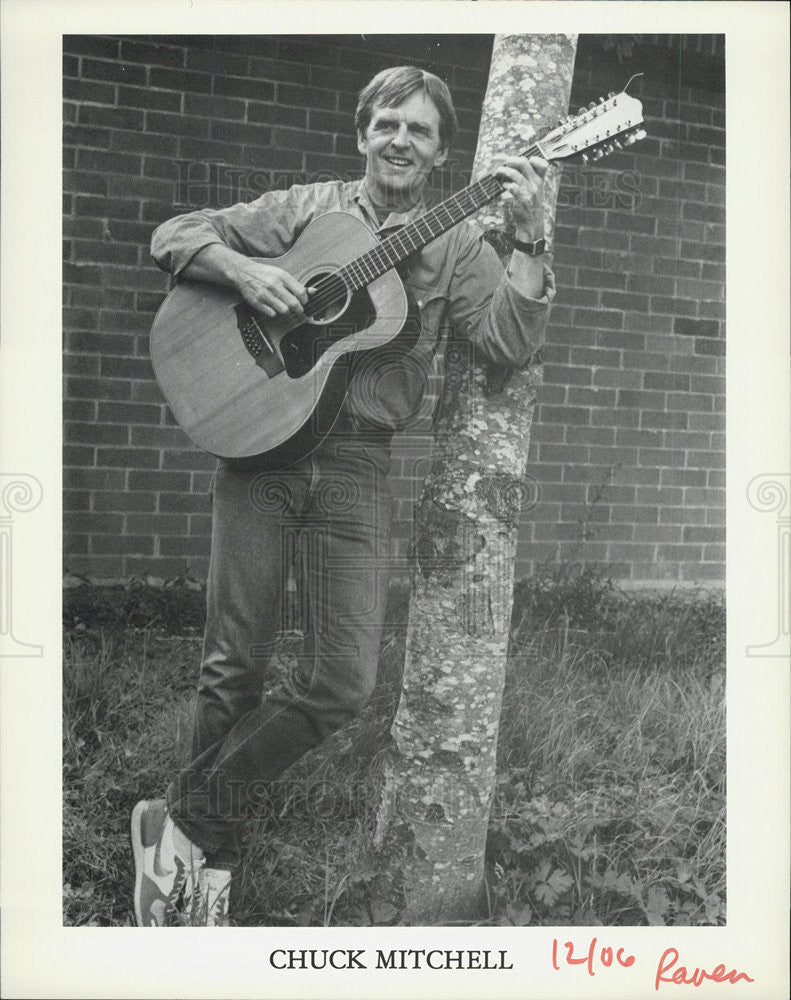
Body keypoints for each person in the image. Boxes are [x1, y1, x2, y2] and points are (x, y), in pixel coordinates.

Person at [131, 65, 555, 927]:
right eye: (388, 124)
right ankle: (206, 867)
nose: (401, 140)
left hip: (358, 466)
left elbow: (506, 342)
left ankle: (176, 822)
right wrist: (246, 276)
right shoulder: (306, 209)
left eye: (421, 131)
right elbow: (177, 234)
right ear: (363, 133)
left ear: (441, 154)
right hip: (259, 450)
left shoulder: (458, 243)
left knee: (341, 680)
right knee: (232, 665)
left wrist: (530, 241)